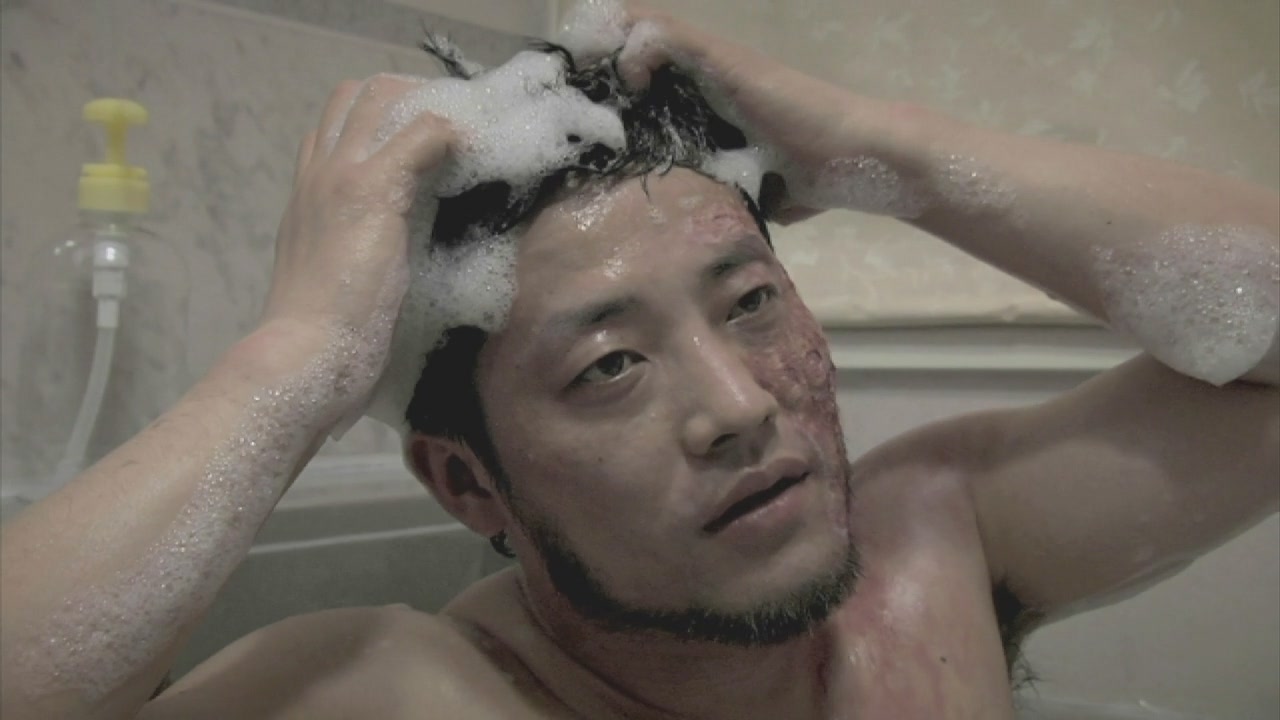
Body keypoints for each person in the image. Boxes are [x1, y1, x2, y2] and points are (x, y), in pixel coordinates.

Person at [2, 5, 1277, 719]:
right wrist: (298, 360)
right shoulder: (410, 694)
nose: (737, 405)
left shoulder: (936, 548)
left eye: (751, 304)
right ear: (468, 484)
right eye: (607, 366)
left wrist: (878, 147)